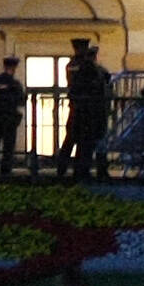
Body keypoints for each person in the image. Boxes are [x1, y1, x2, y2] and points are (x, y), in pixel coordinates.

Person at [62, 38, 112, 180]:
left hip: (78, 107)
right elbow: (102, 80)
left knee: (73, 139)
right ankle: (88, 170)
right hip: (91, 110)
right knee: (89, 141)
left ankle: (64, 167)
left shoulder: (71, 65)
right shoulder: (89, 67)